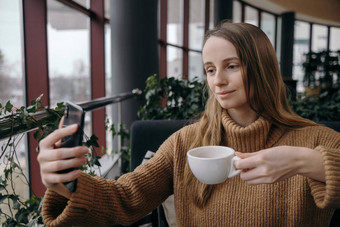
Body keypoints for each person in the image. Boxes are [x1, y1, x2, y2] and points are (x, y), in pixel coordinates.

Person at [38, 22, 340, 226]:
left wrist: (303, 161)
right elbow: (124, 198)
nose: (218, 80)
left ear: (262, 69)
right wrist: (64, 184)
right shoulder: (185, 142)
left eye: (231, 66)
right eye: (210, 69)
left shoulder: (317, 140)